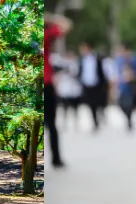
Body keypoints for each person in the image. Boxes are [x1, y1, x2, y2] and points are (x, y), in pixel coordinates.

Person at [44, 14, 71, 168]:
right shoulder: (45, 36)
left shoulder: (43, 37)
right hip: (46, 85)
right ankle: (56, 159)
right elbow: (66, 24)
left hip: (44, 85)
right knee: (52, 125)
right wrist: (50, 18)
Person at [78, 43, 108, 132]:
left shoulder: (97, 59)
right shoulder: (82, 60)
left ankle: (101, 115)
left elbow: (101, 72)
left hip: (97, 85)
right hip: (87, 85)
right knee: (91, 105)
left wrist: (103, 84)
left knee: (98, 103)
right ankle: (95, 122)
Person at [114, 45, 136, 131]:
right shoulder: (119, 60)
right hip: (122, 85)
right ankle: (128, 117)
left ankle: (129, 120)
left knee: (129, 103)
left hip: (132, 86)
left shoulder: (134, 59)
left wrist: (133, 75)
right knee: (121, 104)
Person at [54, 50, 83, 130]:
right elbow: (58, 76)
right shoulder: (62, 65)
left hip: (74, 90)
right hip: (65, 90)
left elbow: (77, 74)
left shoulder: (75, 64)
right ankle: (65, 123)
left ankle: (76, 123)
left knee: (75, 108)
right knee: (64, 108)